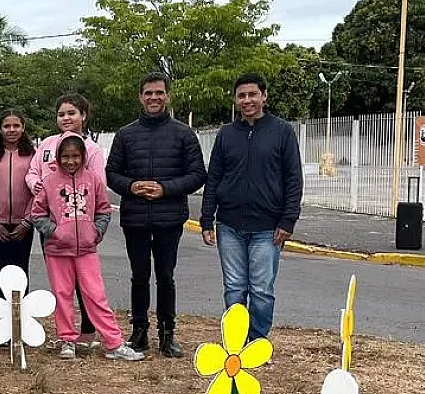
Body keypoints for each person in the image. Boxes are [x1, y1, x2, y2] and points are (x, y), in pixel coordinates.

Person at [106, 71, 207, 357]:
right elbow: (112, 174)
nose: (154, 98)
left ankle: (167, 333)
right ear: (140, 97)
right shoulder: (126, 135)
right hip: (135, 216)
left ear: (167, 95)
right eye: (148, 93)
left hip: (170, 216)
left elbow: (198, 174)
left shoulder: (184, 134)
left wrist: (165, 189)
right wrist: (131, 186)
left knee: (166, 275)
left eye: (159, 93)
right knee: (139, 276)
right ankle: (139, 331)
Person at [200, 73, 302, 341]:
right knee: (233, 288)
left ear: (264, 97)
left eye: (252, 95)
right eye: (241, 96)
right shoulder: (227, 134)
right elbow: (214, 179)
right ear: (235, 100)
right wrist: (206, 219)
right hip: (229, 225)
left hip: (268, 228)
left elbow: (293, 179)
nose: (247, 100)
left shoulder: (282, 132)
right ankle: (236, 343)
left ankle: (257, 342)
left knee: (261, 290)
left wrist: (288, 220)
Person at [31, 133, 144, 362]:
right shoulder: (50, 181)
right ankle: (67, 340)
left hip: (86, 250)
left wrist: (96, 231)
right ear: (58, 157)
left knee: (96, 295)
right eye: (65, 156)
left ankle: (113, 343)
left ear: (83, 156)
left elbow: (103, 210)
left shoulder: (92, 180)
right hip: (57, 251)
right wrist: (55, 231)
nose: (70, 161)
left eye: (75, 156)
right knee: (62, 295)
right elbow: (37, 214)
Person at [26, 94, 106, 348]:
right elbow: (33, 172)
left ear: (83, 115)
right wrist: (37, 186)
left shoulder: (91, 148)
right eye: (62, 114)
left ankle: (89, 330)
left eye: (72, 113)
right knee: (62, 286)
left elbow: (98, 186)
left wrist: (95, 229)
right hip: (54, 225)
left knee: (88, 285)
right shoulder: (47, 144)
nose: (66, 118)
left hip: (83, 224)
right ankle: (67, 337)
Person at [0, 110, 36, 298]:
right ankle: (1, 316)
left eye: (16, 125)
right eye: (7, 126)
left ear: (23, 127)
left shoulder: (32, 155)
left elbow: (37, 191)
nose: (12, 130)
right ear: (0, 129)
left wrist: (27, 222)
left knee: (21, 270)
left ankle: (19, 319)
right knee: (1, 270)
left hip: (24, 225)